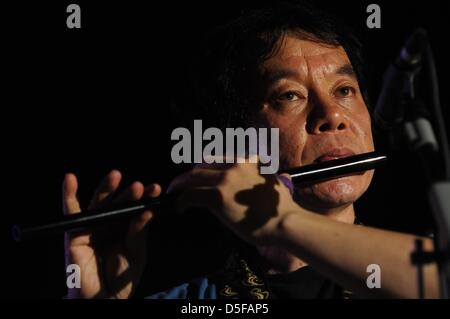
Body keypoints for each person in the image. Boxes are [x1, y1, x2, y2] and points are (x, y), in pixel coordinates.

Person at [62, 2, 439, 299]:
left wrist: (281, 220)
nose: (332, 115)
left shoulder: (427, 266)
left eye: (344, 90)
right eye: (290, 95)